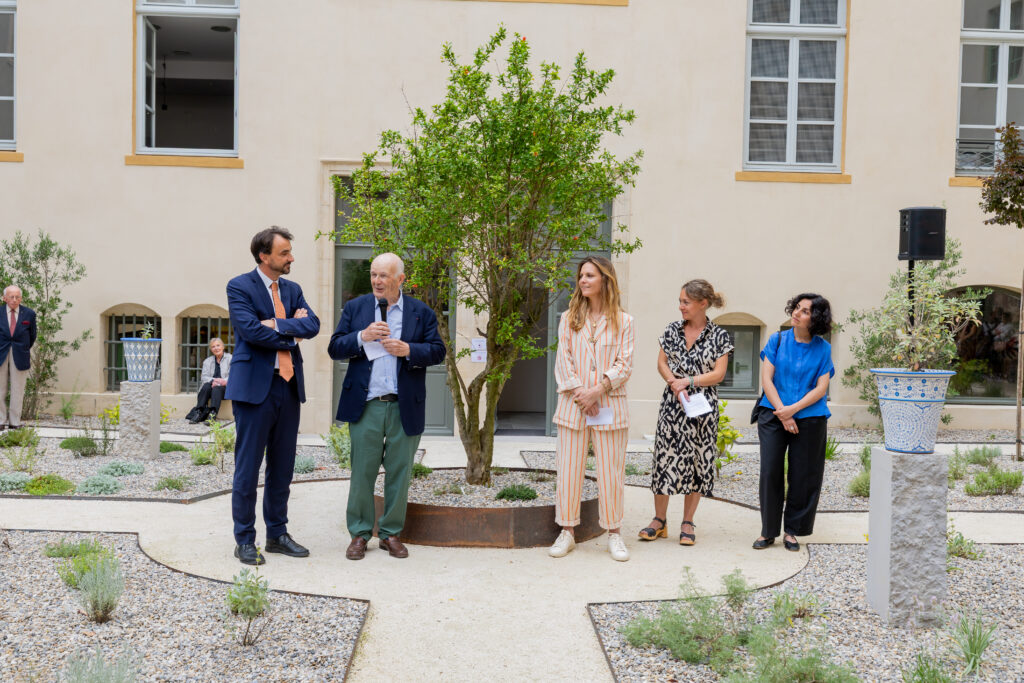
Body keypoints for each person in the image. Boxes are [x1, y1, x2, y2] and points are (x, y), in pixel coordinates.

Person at [328, 253, 446, 561]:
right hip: (366, 405)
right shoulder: (355, 308)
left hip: (403, 406)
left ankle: (391, 534)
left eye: (384, 276)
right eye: (373, 274)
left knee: (400, 473)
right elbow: (334, 347)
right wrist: (361, 336)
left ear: (400, 279)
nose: (377, 281)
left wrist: (409, 349)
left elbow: (438, 351)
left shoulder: (421, 312)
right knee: (362, 472)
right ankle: (359, 533)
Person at [225, 227, 321, 566]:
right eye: (284, 253)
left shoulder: (293, 289)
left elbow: (313, 325)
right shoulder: (240, 286)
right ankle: (244, 540)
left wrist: (276, 325)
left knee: (282, 468)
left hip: (289, 387)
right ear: (264, 256)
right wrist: (291, 331)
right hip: (254, 390)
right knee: (248, 469)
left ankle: (277, 535)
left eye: (290, 251)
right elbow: (250, 331)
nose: (291, 258)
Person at [550, 256, 635, 562]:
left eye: (589, 275)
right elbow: (563, 361)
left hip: (609, 405)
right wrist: (582, 394)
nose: (582, 280)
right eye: (581, 276)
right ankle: (567, 532)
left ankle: (614, 533)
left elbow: (625, 364)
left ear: (605, 280)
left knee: (611, 472)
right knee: (569, 471)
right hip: (574, 406)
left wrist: (597, 390)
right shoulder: (568, 318)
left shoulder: (625, 322)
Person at [639, 279, 732, 546]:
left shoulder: (719, 335)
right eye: (680, 301)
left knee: (699, 461)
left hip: (702, 408)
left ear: (703, 303)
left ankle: (688, 522)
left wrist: (688, 381)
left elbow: (719, 374)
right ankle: (659, 521)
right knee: (664, 460)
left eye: (686, 302)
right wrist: (674, 383)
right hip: (673, 405)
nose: (681, 306)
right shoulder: (672, 330)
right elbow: (661, 362)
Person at [752, 293, 834, 552]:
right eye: (797, 307)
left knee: (804, 475)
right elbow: (767, 380)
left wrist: (794, 410)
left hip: (810, 417)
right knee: (770, 471)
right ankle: (768, 531)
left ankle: (792, 531)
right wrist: (783, 412)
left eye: (805, 311)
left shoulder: (824, 348)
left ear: (815, 319)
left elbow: (821, 388)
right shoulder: (776, 340)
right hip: (773, 414)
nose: (797, 313)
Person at [0, 285, 36, 430]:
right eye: (11, 297)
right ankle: (0, 420)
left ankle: (14, 422)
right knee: (0, 389)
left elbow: (32, 336)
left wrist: (23, 348)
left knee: (18, 389)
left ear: (21, 298)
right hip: (1, 353)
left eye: (17, 297)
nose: (14, 300)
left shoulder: (29, 314)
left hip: (20, 354)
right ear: (5, 298)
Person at [186, 337, 232, 423]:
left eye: (218, 345)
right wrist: (213, 381)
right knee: (206, 386)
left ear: (223, 347)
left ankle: (212, 414)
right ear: (211, 349)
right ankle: (199, 412)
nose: (216, 348)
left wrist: (220, 382)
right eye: (213, 346)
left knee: (217, 389)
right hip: (210, 388)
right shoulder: (207, 361)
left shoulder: (230, 359)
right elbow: (204, 377)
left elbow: (232, 376)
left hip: (225, 388)